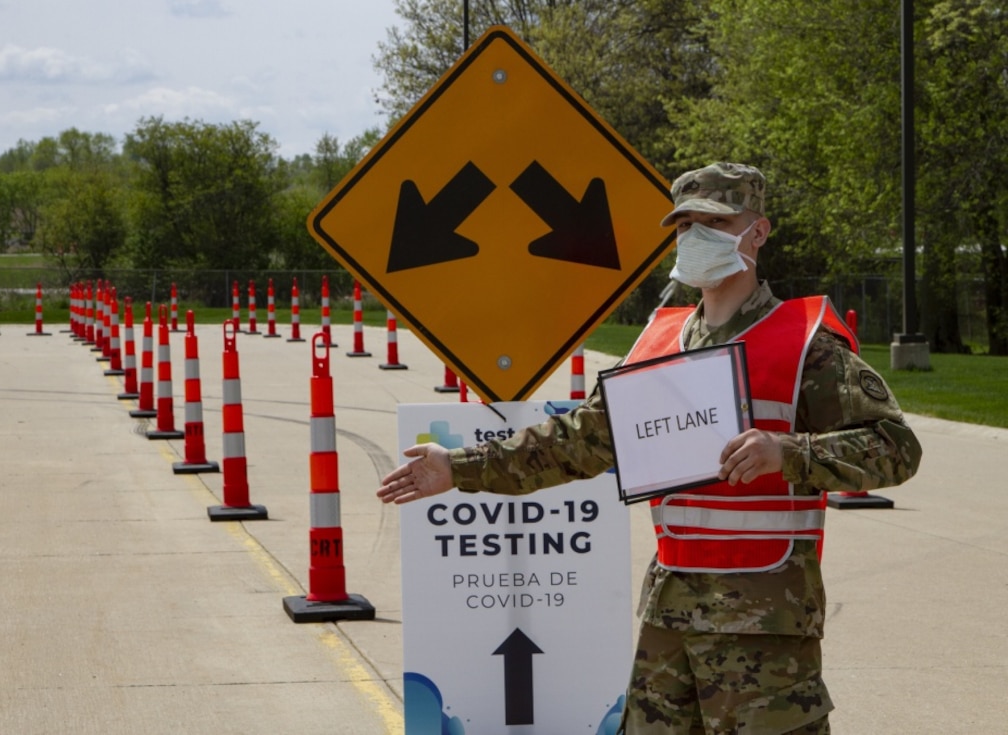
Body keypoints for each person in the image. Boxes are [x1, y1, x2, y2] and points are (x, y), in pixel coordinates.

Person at [377, 162, 922, 734]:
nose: (694, 237)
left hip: (766, 627)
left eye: (714, 220)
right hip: (670, 615)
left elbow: (895, 448)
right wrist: (458, 468)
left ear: (757, 232)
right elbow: (579, 440)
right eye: (684, 224)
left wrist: (788, 452)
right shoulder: (658, 344)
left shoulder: (804, 343)